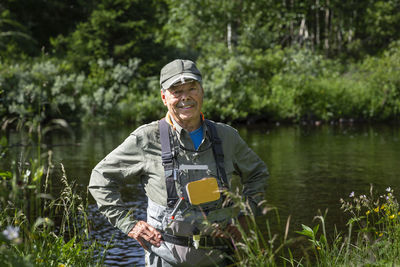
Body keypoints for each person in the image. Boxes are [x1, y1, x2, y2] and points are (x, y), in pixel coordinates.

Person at [89, 59, 269, 266]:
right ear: (164, 97)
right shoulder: (146, 138)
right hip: (165, 257)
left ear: (201, 92)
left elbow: (258, 174)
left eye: (192, 88)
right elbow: (100, 179)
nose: (185, 97)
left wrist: (245, 218)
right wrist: (129, 225)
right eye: (176, 91)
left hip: (222, 257)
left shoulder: (228, 137)